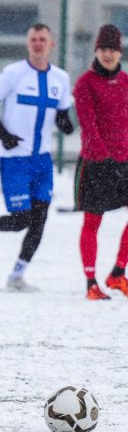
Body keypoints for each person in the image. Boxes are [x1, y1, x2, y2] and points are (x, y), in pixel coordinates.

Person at [0, 23, 74, 291]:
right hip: (15, 160)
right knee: (21, 219)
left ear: (51, 45)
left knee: (39, 222)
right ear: (28, 44)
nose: (38, 43)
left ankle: (16, 276)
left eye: (42, 39)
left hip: (42, 161)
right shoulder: (13, 73)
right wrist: (3, 135)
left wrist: (66, 125)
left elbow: (61, 114)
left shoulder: (60, 78)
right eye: (33, 39)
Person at [73, 24, 128, 300]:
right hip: (97, 164)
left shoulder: (126, 82)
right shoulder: (85, 82)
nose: (108, 54)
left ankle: (118, 273)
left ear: (120, 53)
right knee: (93, 223)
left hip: (125, 161)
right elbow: (89, 124)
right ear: (97, 51)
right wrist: (103, 156)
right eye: (104, 49)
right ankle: (91, 283)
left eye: (113, 50)